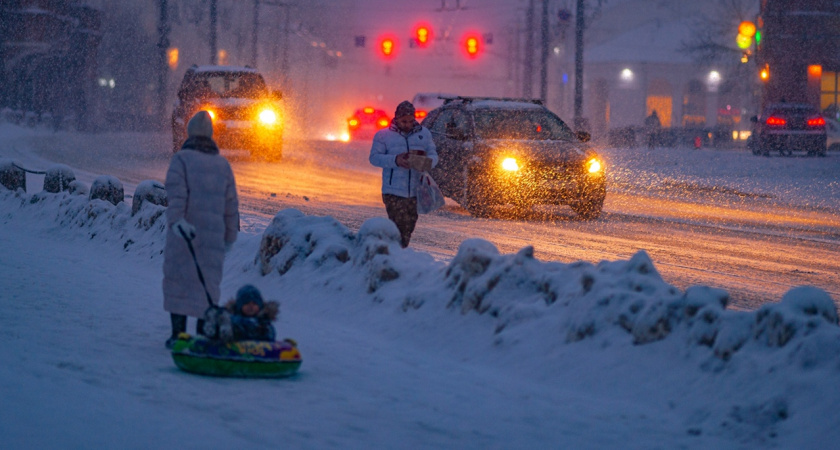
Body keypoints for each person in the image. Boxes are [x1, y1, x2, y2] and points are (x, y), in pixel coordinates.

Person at [163, 111, 240, 349]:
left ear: (189, 133)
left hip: (185, 234)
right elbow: (231, 205)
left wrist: (177, 221)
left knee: (180, 282)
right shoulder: (223, 165)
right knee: (207, 283)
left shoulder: (181, 160)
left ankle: (178, 335)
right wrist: (229, 237)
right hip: (213, 238)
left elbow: (176, 196)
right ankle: (202, 335)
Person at [369, 100, 438, 248]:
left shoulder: (424, 134)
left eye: (410, 121)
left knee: (408, 228)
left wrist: (424, 163)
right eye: (403, 121)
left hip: (415, 190)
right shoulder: (383, 135)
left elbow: (434, 155)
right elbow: (374, 158)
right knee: (396, 227)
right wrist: (396, 160)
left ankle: (398, 253)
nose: (407, 124)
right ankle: (395, 255)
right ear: (396, 119)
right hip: (392, 191)